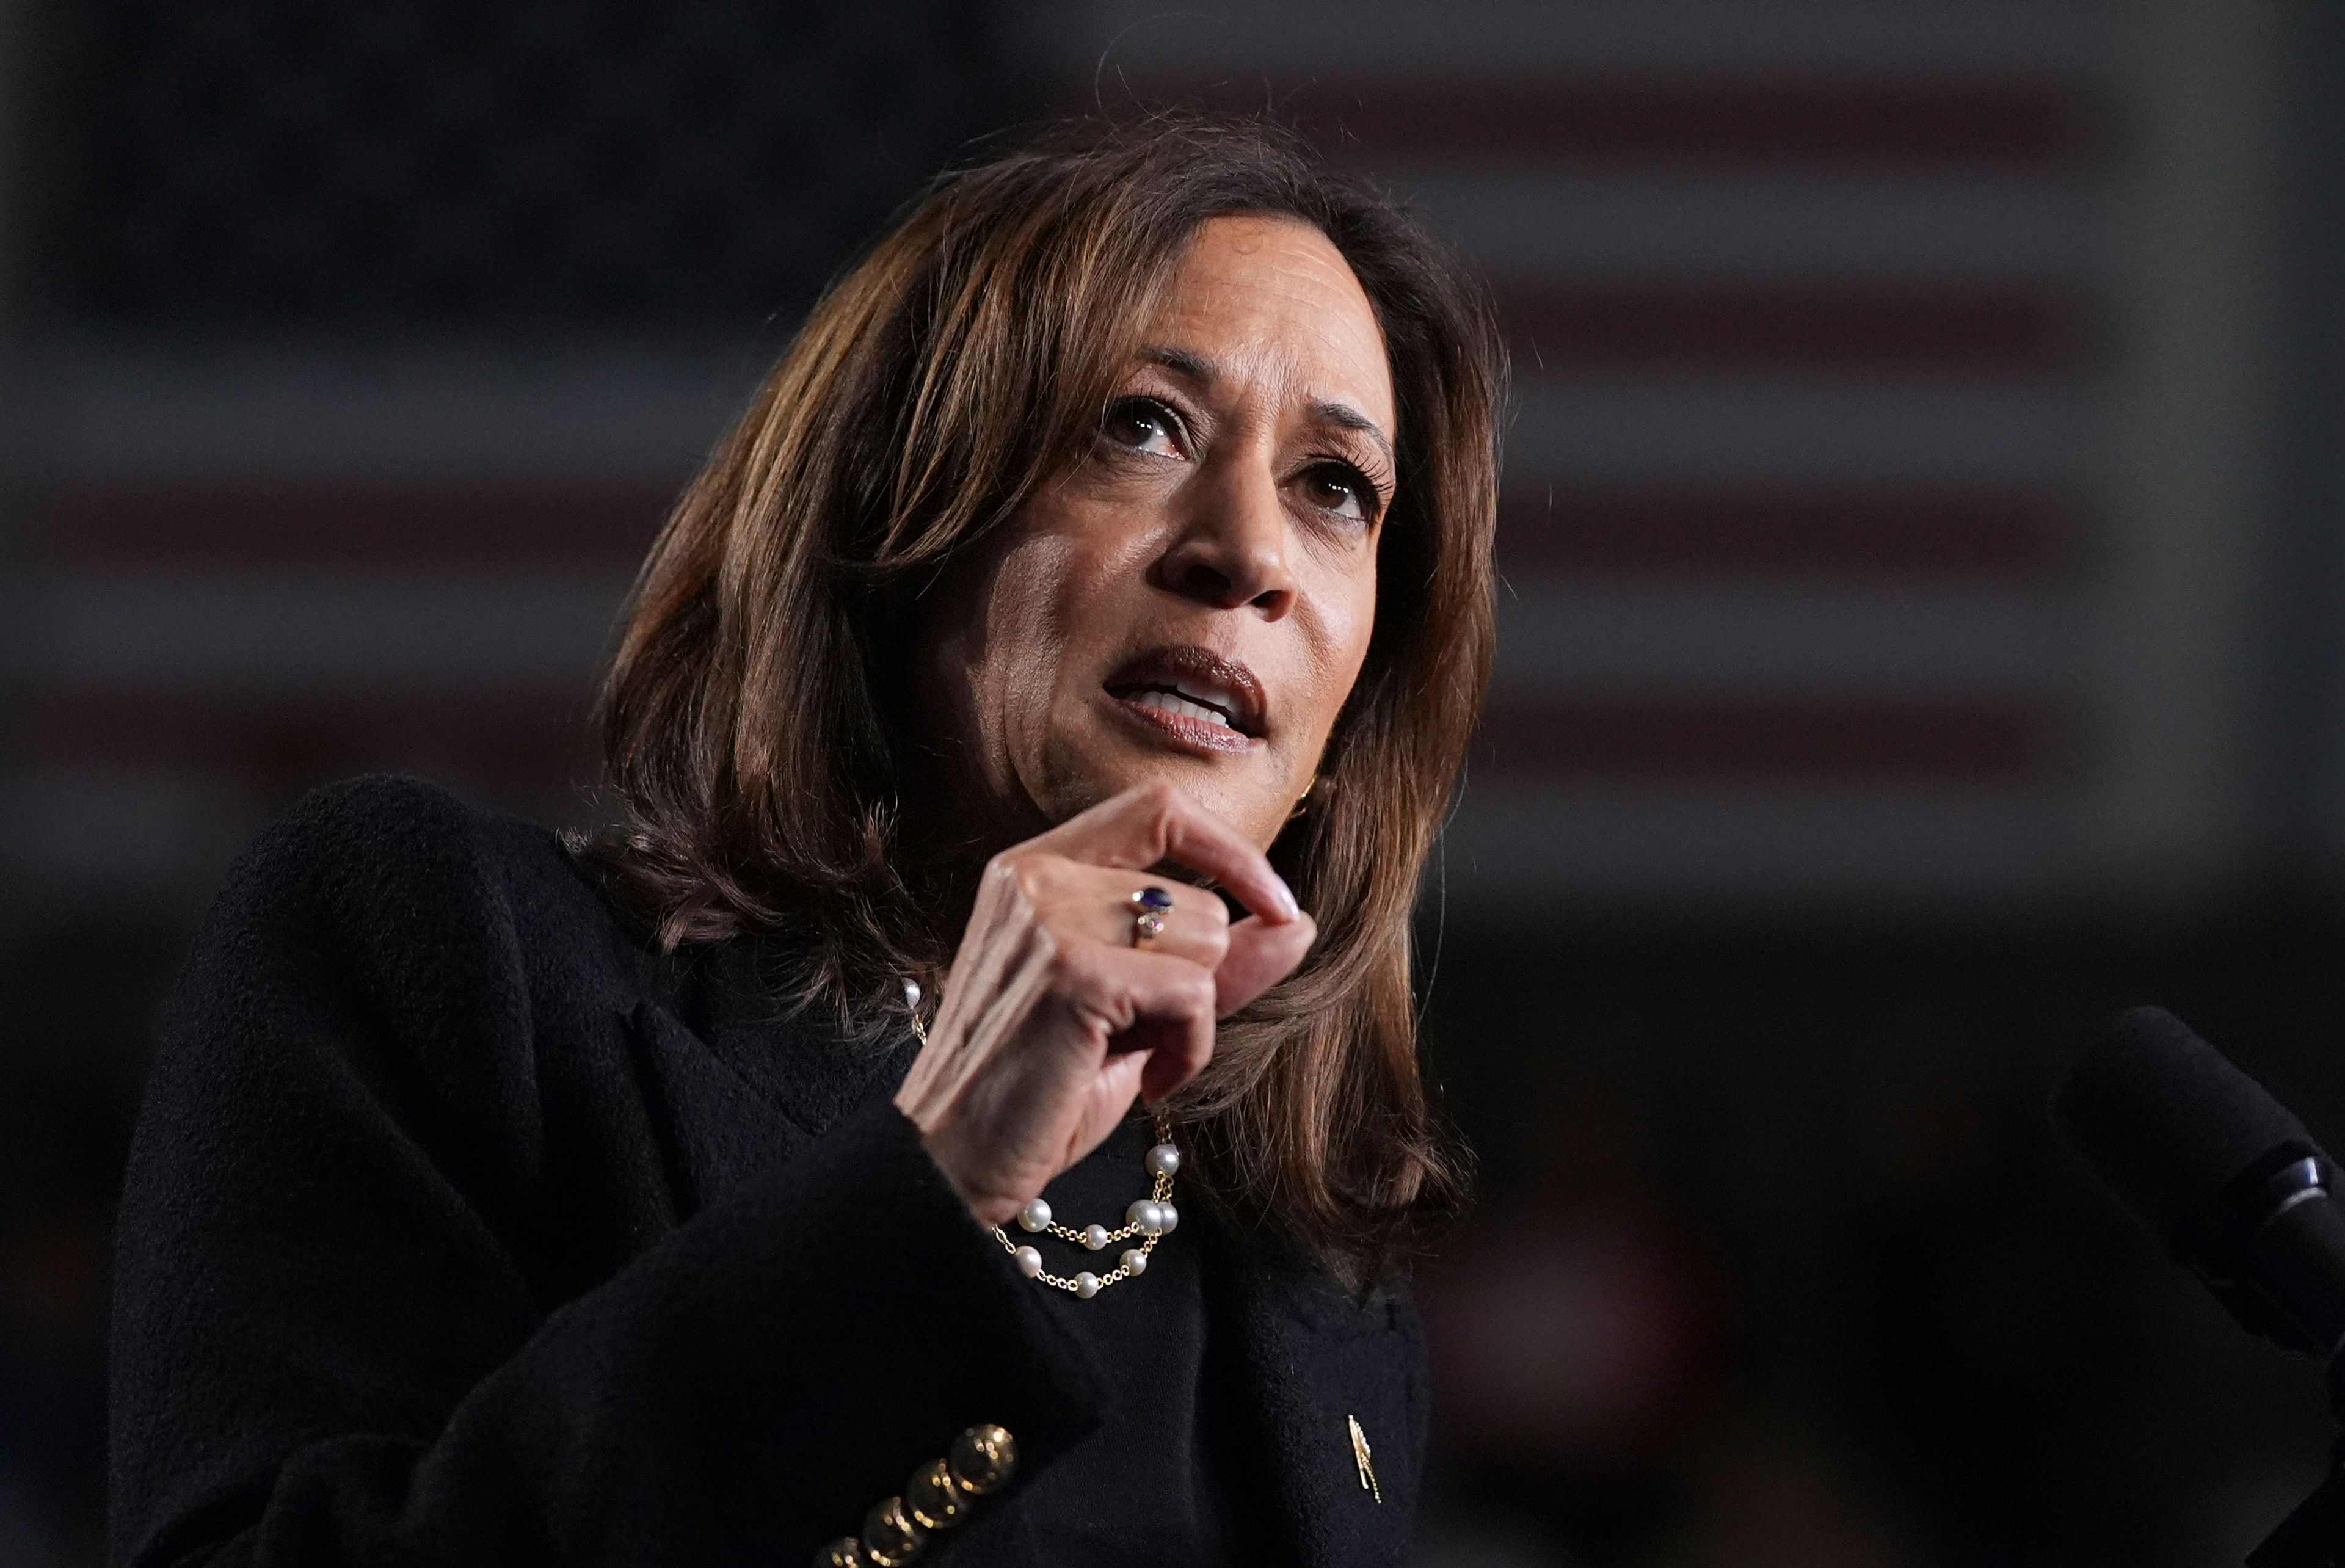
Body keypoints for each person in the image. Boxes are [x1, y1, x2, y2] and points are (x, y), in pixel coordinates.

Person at [109, 114, 1503, 1567]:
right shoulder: (442, 956)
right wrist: (935, 1180)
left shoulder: (1323, 1296)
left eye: (1335, 488)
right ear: (891, 512)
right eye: (1139, 423)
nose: (1252, 554)